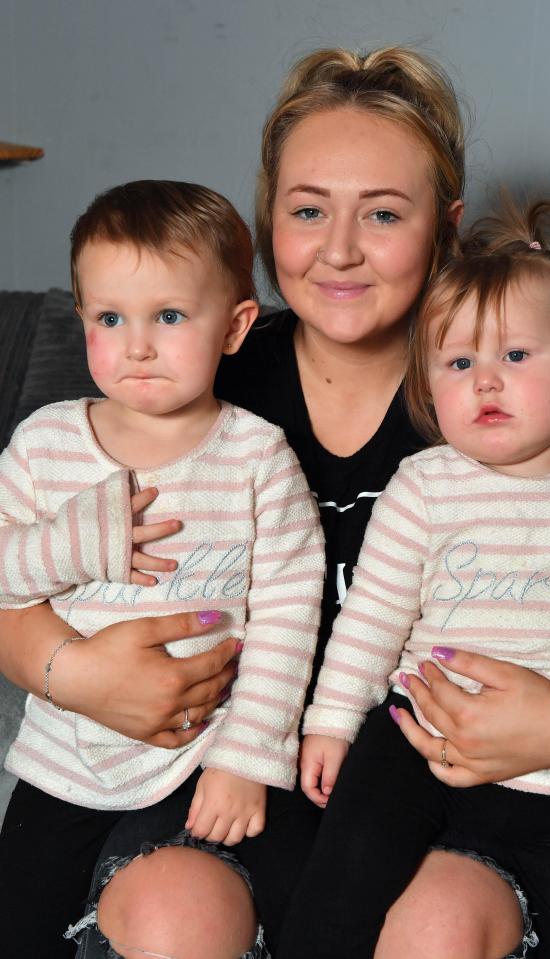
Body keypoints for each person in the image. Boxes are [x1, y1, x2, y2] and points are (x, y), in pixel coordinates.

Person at [0, 48, 550, 959]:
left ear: (444, 226)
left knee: (434, 922)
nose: (340, 249)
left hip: (448, 782)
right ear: (268, 225)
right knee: (177, 913)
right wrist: (72, 672)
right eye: (308, 211)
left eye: (383, 214)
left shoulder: (507, 396)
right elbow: (23, 589)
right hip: (204, 770)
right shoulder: (196, 376)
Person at [280, 194, 550, 959]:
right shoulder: (426, 483)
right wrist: (331, 721)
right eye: (460, 363)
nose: (486, 382)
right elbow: (372, 617)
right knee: (337, 889)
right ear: (431, 387)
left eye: (516, 357)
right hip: (413, 745)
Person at [0, 180, 324, 959]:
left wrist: (250, 756)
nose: (136, 344)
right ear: (82, 319)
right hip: (65, 753)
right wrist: (74, 544)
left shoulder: (256, 455)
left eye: (169, 316)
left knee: (300, 914)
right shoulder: (46, 444)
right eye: (110, 318)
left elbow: (289, 611)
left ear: (236, 326)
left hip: (211, 750)